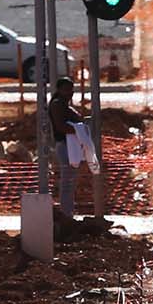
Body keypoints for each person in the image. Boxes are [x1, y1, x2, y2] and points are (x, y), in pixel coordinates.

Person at [48, 74, 91, 216]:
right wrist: (80, 130)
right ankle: (66, 213)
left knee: (70, 180)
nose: (70, 93)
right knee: (67, 181)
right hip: (65, 145)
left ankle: (68, 211)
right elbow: (61, 126)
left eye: (71, 90)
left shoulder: (64, 105)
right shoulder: (57, 105)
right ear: (59, 90)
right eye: (66, 90)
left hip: (70, 145)